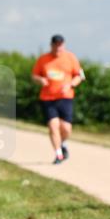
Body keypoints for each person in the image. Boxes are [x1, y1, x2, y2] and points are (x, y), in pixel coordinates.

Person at [31, 35, 84, 164]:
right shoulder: (43, 59)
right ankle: (58, 155)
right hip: (48, 98)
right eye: (56, 45)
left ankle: (63, 144)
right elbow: (34, 75)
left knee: (66, 128)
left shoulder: (71, 58)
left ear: (63, 45)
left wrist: (70, 84)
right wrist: (40, 79)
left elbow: (80, 76)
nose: (58, 47)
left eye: (60, 45)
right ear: (52, 45)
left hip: (65, 97)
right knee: (53, 126)